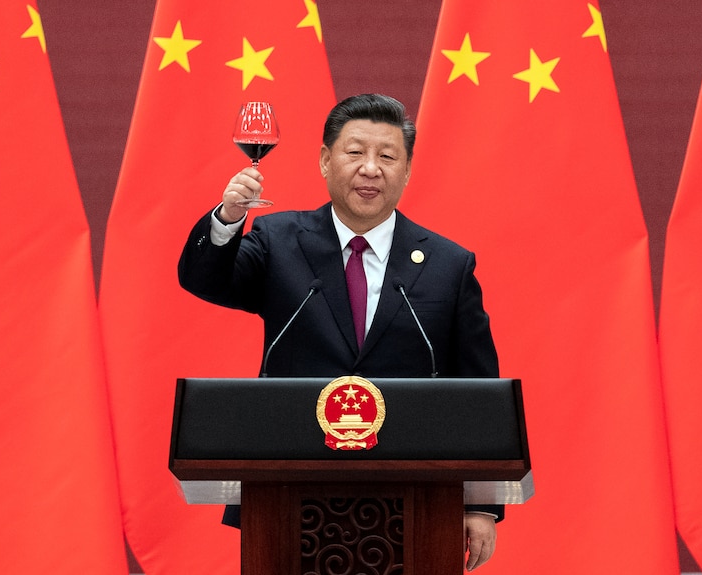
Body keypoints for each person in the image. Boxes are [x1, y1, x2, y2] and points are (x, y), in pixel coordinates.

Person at [178, 93, 502, 570]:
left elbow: (478, 387)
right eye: (355, 153)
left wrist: (480, 503)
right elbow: (204, 279)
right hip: (291, 492)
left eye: (387, 156)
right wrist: (228, 219)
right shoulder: (278, 240)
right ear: (326, 161)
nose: (370, 169)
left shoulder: (448, 265)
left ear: (407, 170)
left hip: (414, 496)